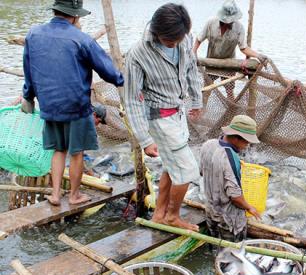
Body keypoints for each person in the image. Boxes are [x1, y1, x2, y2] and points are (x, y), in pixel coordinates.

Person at [21, 0, 124, 206]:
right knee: (76, 152)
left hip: (49, 105)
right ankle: (75, 196)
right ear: (75, 16)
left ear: (55, 11)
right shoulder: (82, 39)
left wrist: (28, 96)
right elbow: (109, 72)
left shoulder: (33, 34)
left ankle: (56, 195)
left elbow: (29, 70)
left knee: (58, 150)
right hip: (76, 106)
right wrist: (123, 80)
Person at [124, 3, 202, 231]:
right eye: (170, 41)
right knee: (187, 170)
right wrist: (144, 139)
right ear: (157, 33)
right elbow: (131, 99)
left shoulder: (184, 40)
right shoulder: (138, 54)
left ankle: (159, 214)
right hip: (159, 118)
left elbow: (192, 70)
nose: (176, 44)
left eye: (179, 39)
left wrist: (196, 100)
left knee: (171, 166)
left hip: (178, 114)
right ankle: (172, 216)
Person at [200, 115, 261, 242]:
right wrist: (249, 207)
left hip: (211, 212)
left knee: (216, 248)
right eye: (246, 141)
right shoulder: (230, 157)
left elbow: (202, 172)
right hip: (229, 220)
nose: (247, 145)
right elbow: (235, 197)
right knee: (233, 254)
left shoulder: (208, 145)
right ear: (236, 138)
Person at [193, 0, 268, 101]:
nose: (229, 22)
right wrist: (193, 53)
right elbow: (198, 40)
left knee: (229, 91)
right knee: (206, 90)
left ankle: (231, 112)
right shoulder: (211, 22)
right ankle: (202, 111)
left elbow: (244, 48)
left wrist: (257, 55)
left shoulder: (239, 28)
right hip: (211, 63)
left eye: (231, 20)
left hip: (229, 65)